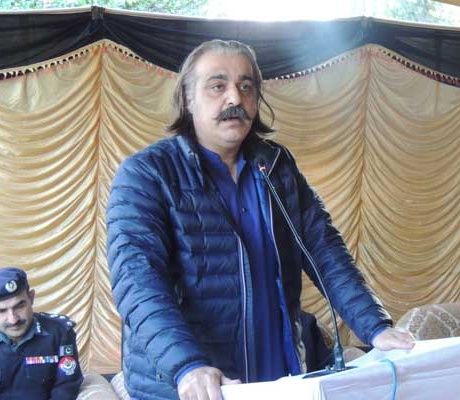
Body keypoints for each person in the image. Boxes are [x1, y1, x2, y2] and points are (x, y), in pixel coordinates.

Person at [106, 39, 415, 400]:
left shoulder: (275, 166)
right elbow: (137, 281)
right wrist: (187, 365)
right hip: (194, 384)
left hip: (276, 377)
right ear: (188, 100)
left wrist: (375, 327)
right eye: (218, 86)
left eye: (246, 86)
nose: (235, 99)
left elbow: (324, 249)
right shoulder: (147, 174)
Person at [0, 267, 83, 399]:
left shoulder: (60, 333)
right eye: (1, 311)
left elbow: (66, 388)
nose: (13, 320)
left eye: (19, 306)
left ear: (31, 298)